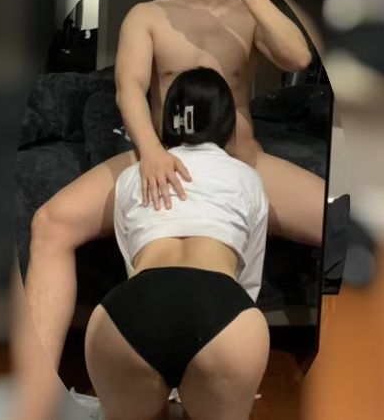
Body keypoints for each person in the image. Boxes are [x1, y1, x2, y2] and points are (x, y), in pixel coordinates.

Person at [25, 0, 324, 368]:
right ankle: (38, 386)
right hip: (162, 155)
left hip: (240, 160)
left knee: (340, 222)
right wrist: (149, 153)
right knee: (50, 223)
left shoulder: (250, 14)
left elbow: (299, 57)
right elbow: (128, 87)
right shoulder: (148, 15)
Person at [85, 67, 269, 420]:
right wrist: (242, 363)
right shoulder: (248, 177)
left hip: (129, 310)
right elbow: (249, 276)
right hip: (224, 313)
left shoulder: (131, 176)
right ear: (227, 122)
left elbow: (132, 263)